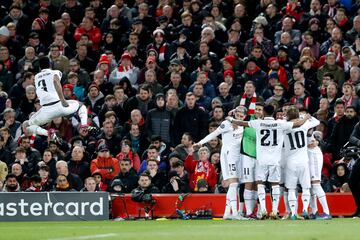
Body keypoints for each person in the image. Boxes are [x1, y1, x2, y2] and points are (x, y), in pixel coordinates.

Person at [228, 104, 309, 219]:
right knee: (275, 184)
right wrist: (305, 118)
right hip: (275, 159)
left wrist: (231, 119)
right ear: (273, 112)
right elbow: (298, 124)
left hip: (261, 159)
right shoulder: (280, 123)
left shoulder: (258, 123)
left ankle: (264, 210)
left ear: (264, 113)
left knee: (260, 183)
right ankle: (275, 211)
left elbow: (242, 123)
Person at [193, 106, 247, 220]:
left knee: (234, 184)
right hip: (228, 155)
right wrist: (200, 142)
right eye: (237, 115)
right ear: (234, 114)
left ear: (244, 117)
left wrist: (232, 115)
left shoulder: (243, 124)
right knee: (233, 184)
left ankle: (227, 213)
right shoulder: (227, 124)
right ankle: (235, 213)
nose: (239, 118)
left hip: (237, 156)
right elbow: (214, 133)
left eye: (241, 116)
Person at [25, 56, 89, 141]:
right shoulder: (55, 72)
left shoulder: (36, 77)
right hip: (59, 105)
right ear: (50, 64)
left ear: (40, 67)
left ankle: (48, 133)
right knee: (81, 105)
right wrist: (63, 100)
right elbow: (55, 81)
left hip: (46, 110)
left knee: (28, 126)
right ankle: (84, 124)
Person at [283, 107, 320, 220]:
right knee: (305, 187)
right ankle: (304, 209)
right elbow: (317, 122)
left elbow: (282, 121)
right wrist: (306, 116)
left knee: (291, 188)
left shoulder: (284, 126)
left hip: (290, 162)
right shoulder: (304, 125)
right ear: (298, 115)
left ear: (288, 115)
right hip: (303, 160)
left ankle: (293, 213)